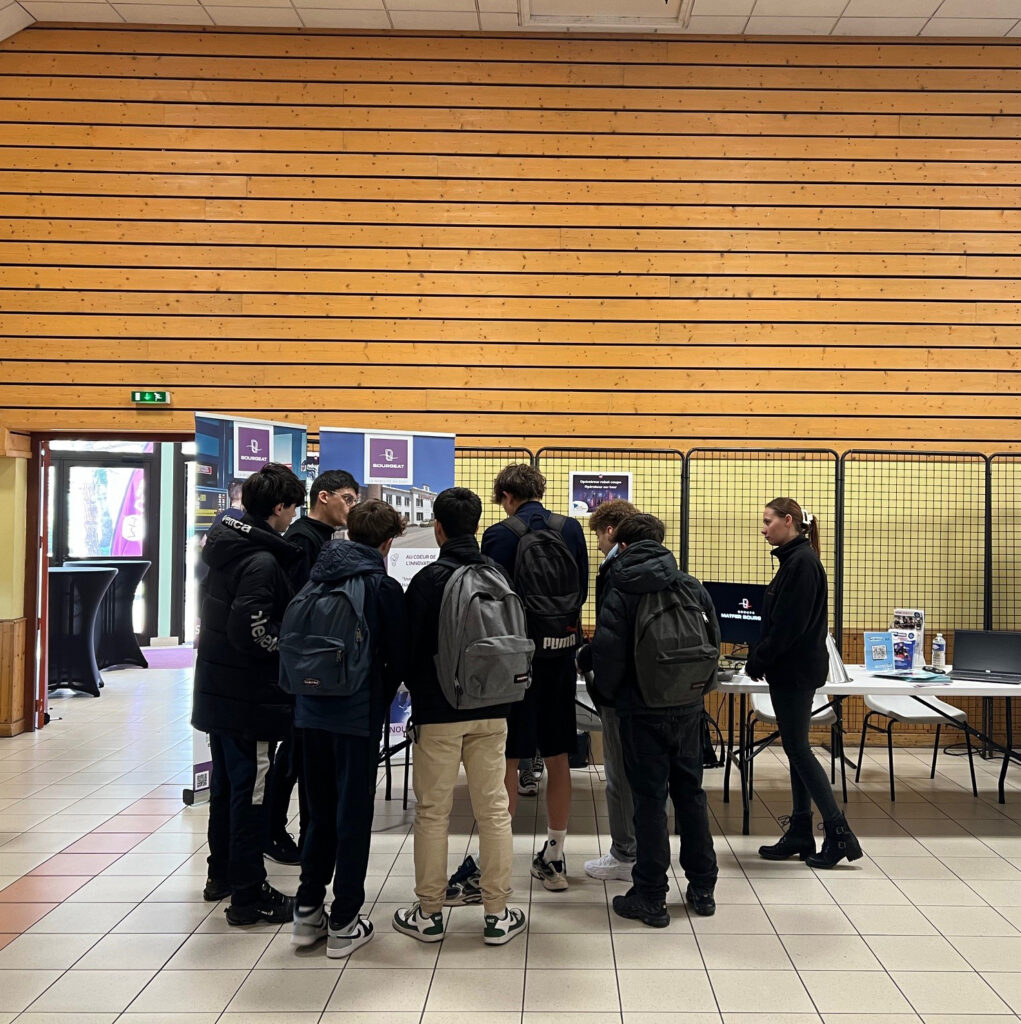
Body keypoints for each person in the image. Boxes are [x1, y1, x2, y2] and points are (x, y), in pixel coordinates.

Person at [393, 486, 526, 946]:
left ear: (438, 528)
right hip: (494, 710)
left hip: (440, 712)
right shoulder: (499, 573)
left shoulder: (428, 581)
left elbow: (409, 654)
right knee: (494, 809)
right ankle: (497, 913)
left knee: (433, 812)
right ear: (477, 525)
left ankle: (429, 914)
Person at [289, 500, 407, 957]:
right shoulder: (382, 586)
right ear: (388, 541)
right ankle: (344, 920)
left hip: (308, 712)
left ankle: (307, 911)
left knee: (317, 812)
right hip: (357, 716)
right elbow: (400, 655)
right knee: (353, 816)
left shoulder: (317, 576)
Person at [592, 513, 720, 927]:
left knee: (649, 801)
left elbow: (608, 660)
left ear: (623, 546)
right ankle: (703, 887)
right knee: (691, 794)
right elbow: (713, 643)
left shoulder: (622, 589)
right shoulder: (690, 584)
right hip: (687, 707)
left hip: (640, 710)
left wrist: (605, 694)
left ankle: (650, 894)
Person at [192, 462, 305, 925]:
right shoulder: (260, 559)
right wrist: (290, 649)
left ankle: (221, 873)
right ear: (279, 508)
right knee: (251, 794)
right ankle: (248, 893)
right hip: (248, 699)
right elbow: (252, 631)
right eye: (292, 508)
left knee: (228, 786)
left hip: (221, 692)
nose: (292, 517)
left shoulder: (228, 545)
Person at [478, 463, 589, 891]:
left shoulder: (500, 535)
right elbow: (580, 588)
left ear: (505, 495)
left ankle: (500, 860)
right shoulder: (572, 529)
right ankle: (555, 858)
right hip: (561, 654)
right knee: (559, 756)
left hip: (515, 660)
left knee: (508, 755)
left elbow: (490, 600)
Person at [747, 498, 863, 869]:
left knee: (798, 750)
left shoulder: (802, 564)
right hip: (793, 669)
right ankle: (800, 829)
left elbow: (789, 626)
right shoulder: (796, 560)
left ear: (789, 520)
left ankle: (839, 833)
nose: (763, 528)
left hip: (794, 671)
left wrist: (760, 658)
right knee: (797, 749)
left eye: (768, 521)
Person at [263, 469, 361, 865]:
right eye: (347, 498)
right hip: (304, 665)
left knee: (296, 755)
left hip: (311, 663)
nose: (351, 507)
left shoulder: (321, 538)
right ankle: (271, 830)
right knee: (292, 758)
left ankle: (278, 829)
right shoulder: (303, 540)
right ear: (323, 497)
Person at [575, 498, 640, 881]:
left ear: (611, 530)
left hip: (620, 687)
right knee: (645, 775)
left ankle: (624, 852)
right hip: (653, 687)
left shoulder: (616, 570)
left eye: (598, 534)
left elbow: (612, 634)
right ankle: (643, 850)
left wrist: (590, 659)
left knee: (617, 774)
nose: (597, 542)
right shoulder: (662, 568)